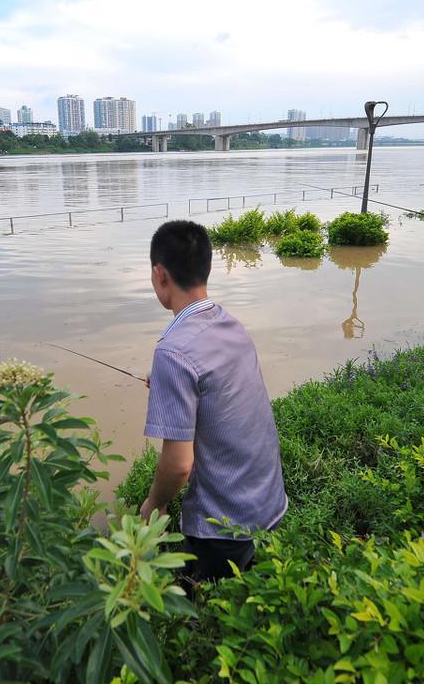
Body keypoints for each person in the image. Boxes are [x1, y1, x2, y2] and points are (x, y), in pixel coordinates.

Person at [140, 220, 287, 582]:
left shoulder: (173, 352)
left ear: (160, 276)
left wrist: (154, 504)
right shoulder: (231, 324)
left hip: (224, 527)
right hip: (270, 503)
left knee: (194, 609)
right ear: (206, 267)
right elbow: (218, 389)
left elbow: (178, 466)